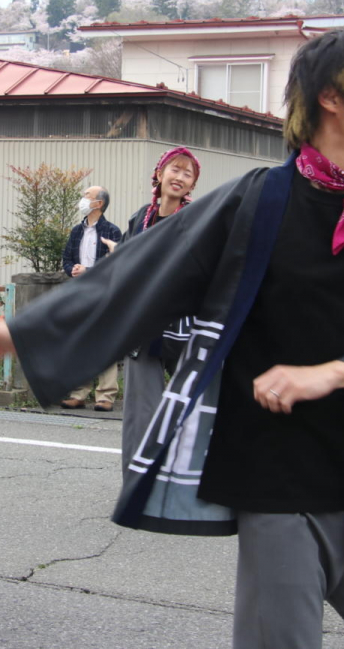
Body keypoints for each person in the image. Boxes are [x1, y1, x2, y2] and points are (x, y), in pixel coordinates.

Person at [0, 27, 344, 649]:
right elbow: (140, 273)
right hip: (273, 477)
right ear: (332, 97)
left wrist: (331, 373)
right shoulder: (255, 202)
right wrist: (21, 329)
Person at [116, 146, 200, 477]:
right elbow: (123, 265)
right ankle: (139, 480)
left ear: (192, 185)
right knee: (141, 409)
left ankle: (191, 479)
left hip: (187, 325)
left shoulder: (198, 218)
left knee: (196, 405)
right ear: (160, 174)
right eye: (174, 169)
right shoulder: (141, 219)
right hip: (145, 325)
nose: (179, 177)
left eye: (187, 173)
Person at [58, 185, 123, 411]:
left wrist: (89, 270)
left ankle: (105, 396)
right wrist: (72, 269)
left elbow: (116, 263)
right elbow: (66, 258)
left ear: (99, 204)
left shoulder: (112, 232)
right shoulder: (76, 231)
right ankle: (79, 393)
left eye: (87, 196)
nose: (83, 200)